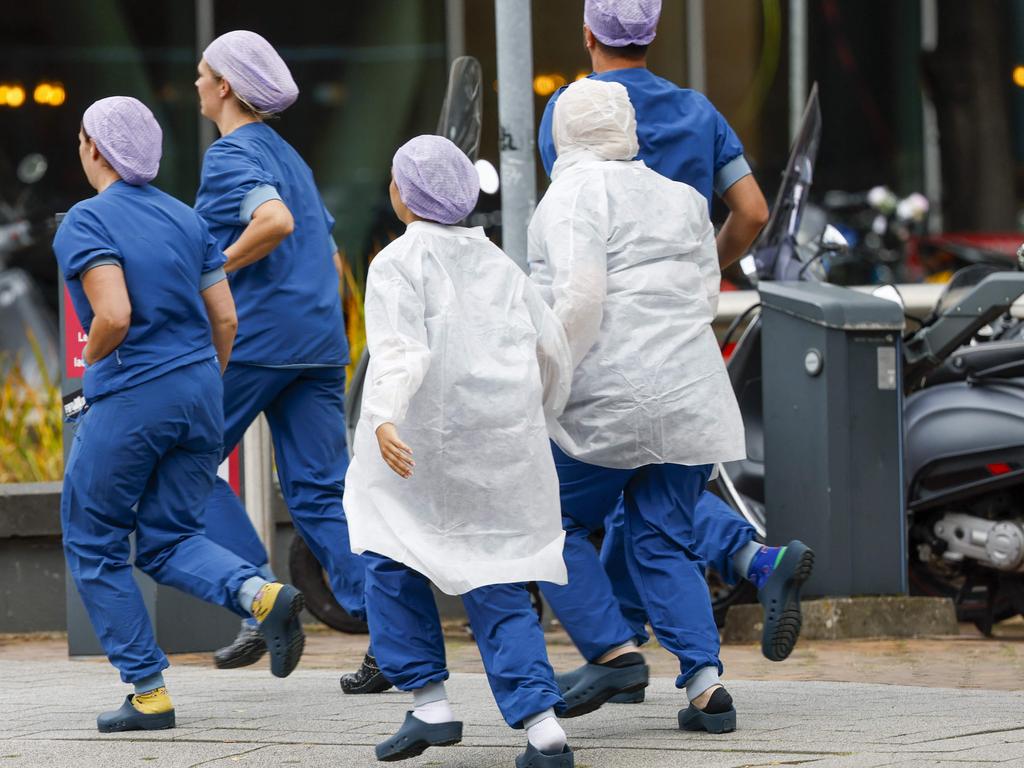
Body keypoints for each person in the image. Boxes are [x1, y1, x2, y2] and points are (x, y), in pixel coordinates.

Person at [537, 0, 813, 668]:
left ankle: (615, 653)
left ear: (586, 33)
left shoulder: (572, 111)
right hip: (680, 339)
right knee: (657, 499)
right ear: (655, 34)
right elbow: (752, 211)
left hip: (604, 347)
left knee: (563, 506)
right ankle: (723, 611)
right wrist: (700, 266)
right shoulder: (697, 111)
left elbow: (579, 251)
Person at [55, 96, 305, 733]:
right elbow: (226, 318)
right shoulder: (186, 219)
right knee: (171, 540)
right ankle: (260, 593)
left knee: (95, 539)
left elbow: (111, 315)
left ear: (94, 149)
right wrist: (203, 377)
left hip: (133, 395)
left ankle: (148, 692)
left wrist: (97, 372)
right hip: (199, 393)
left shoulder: (86, 221)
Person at [529, 77, 760, 733]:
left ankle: (612, 651)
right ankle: (708, 691)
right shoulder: (683, 198)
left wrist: (544, 378)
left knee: (546, 523)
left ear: (560, 133)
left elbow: (576, 302)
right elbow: (700, 294)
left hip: (608, 396)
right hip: (690, 395)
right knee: (663, 539)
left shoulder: (572, 194)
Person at [344, 135, 575, 767]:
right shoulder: (500, 263)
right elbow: (552, 349)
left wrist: (385, 416)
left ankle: (430, 704)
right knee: (498, 574)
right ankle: (543, 725)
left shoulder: (397, 262)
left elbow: (398, 351)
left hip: (417, 450)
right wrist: (539, 414)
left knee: (390, 555)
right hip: (499, 449)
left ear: (403, 194)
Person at [190, 30, 372, 679]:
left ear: (226, 88)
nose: (196, 83)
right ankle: (389, 634)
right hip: (318, 342)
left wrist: (209, 269)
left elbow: (275, 223)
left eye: (203, 73)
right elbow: (324, 250)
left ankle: (261, 602)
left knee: (186, 461)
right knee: (321, 492)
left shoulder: (230, 153)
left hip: (259, 339)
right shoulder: (288, 154)